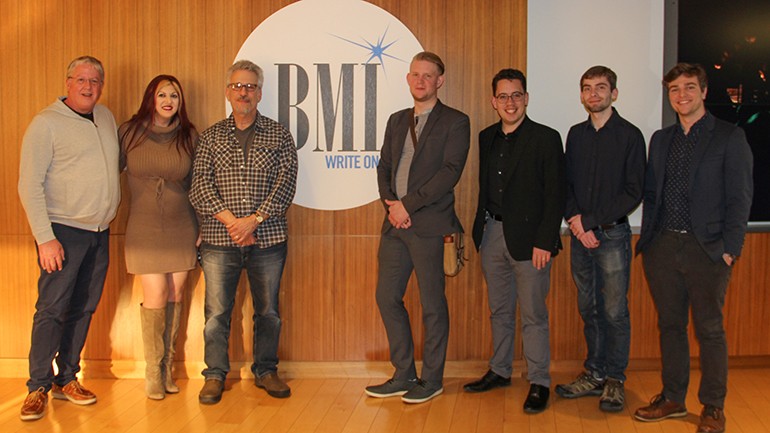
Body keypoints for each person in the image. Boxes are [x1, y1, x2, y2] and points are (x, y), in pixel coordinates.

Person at [633, 63, 753, 433]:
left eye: (688, 88)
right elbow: (653, 195)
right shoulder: (661, 139)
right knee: (670, 326)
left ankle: (713, 407)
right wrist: (649, 241)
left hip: (708, 250)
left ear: (703, 91)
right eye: (674, 90)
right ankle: (672, 398)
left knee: (709, 330)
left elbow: (740, 198)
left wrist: (730, 248)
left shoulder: (729, 137)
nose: (681, 95)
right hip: (664, 247)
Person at [17, 55, 120, 421]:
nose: (88, 86)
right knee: (51, 310)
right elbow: (28, 185)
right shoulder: (46, 124)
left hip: (99, 231)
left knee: (83, 307)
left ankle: (66, 379)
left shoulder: (105, 117)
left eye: (95, 81)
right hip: (62, 232)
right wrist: (45, 238)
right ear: (68, 82)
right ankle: (37, 387)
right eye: (81, 79)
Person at [189, 60, 298, 405]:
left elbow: (286, 183)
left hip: (268, 238)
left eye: (250, 87)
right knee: (217, 313)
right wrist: (233, 223)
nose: (243, 92)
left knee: (268, 312)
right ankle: (215, 374)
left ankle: (265, 370)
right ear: (227, 92)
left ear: (260, 93)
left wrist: (254, 220)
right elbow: (199, 186)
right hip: (220, 241)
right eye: (237, 86)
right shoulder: (210, 137)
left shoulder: (279, 134)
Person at [365, 51, 470, 404]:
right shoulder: (397, 120)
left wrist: (408, 205)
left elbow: (450, 173)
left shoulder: (456, 121)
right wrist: (392, 206)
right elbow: (384, 168)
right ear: (408, 79)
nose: (421, 81)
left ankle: (433, 379)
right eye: (415, 75)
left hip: (430, 225)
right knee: (386, 296)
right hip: (395, 225)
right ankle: (404, 372)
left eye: (428, 75)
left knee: (432, 304)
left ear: (440, 81)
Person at [463, 68, 566, 414]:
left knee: (534, 314)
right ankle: (500, 369)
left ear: (526, 98)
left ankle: (538, 380)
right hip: (492, 233)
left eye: (516, 95)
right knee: (500, 310)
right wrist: (480, 232)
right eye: (503, 96)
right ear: (494, 102)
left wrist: (545, 241)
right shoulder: (486, 136)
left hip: (531, 241)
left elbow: (555, 195)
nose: (510, 102)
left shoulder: (546, 138)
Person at [554, 66, 646, 412]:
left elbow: (633, 192)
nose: (593, 94)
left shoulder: (630, 136)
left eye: (601, 88)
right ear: (581, 95)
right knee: (588, 308)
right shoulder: (575, 135)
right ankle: (593, 373)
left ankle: (615, 381)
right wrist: (577, 224)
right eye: (587, 88)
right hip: (579, 236)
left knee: (614, 311)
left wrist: (590, 222)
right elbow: (567, 185)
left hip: (612, 236)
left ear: (614, 94)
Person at [119, 75, 198, 400]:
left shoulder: (189, 135)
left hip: (182, 225)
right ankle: (152, 372)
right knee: (155, 293)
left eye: (174, 96)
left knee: (176, 293)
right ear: (150, 97)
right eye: (162, 94)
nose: (168, 100)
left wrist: (204, 225)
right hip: (144, 227)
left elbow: (199, 182)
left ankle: (167, 370)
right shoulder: (128, 132)